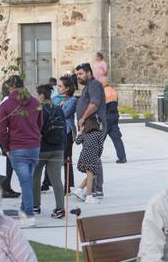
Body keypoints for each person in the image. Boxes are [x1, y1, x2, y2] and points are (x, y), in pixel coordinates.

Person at [0, 76, 42, 228]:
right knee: (27, 180)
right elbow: (40, 123)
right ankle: (24, 209)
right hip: (34, 145)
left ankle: (29, 214)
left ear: (10, 87)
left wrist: (6, 148)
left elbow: (2, 130)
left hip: (17, 146)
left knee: (25, 182)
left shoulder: (6, 104)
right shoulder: (35, 102)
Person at [72, 63, 107, 203]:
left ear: (88, 73)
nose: (78, 77)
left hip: (94, 128)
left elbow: (94, 104)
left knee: (93, 160)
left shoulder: (94, 85)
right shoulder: (88, 86)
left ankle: (92, 190)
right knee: (93, 159)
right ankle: (91, 189)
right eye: (77, 74)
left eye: (80, 74)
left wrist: (83, 118)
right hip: (88, 129)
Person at [32, 84, 68, 220]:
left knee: (35, 176)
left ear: (41, 95)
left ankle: (35, 205)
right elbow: (64, 129)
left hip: (41, 148)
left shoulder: (39, 109)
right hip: (58, 149)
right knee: (57, 179)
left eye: (36, 94)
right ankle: (60, 208)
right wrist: (63, 147)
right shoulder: (58, 109)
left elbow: (35, 129)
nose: (35, 97)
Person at [53, 75, 78, 191]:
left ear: (67, 88)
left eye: (60, 86)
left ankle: (68, 185)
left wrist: (58, 108)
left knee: (67, 158)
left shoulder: (73, 100)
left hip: (68, 132)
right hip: (57, 132)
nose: (57, 88)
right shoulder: (57, 99)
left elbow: (64, 114)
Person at [102, 82, 127, 164]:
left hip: (106, 117)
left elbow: (100, 106)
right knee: (117, 138)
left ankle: (94, 158)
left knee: (100, 139)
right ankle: (122, 158)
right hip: (114, 116)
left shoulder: (103, 92)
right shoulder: (113, 91)